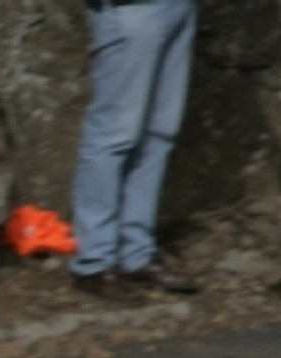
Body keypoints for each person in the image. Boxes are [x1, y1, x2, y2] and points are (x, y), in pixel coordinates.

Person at [68, 0, 202, 300]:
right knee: (112, 134)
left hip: (177, 6)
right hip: (130, 9)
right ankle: (94, 262)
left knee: (159, 133)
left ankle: (136, 254)